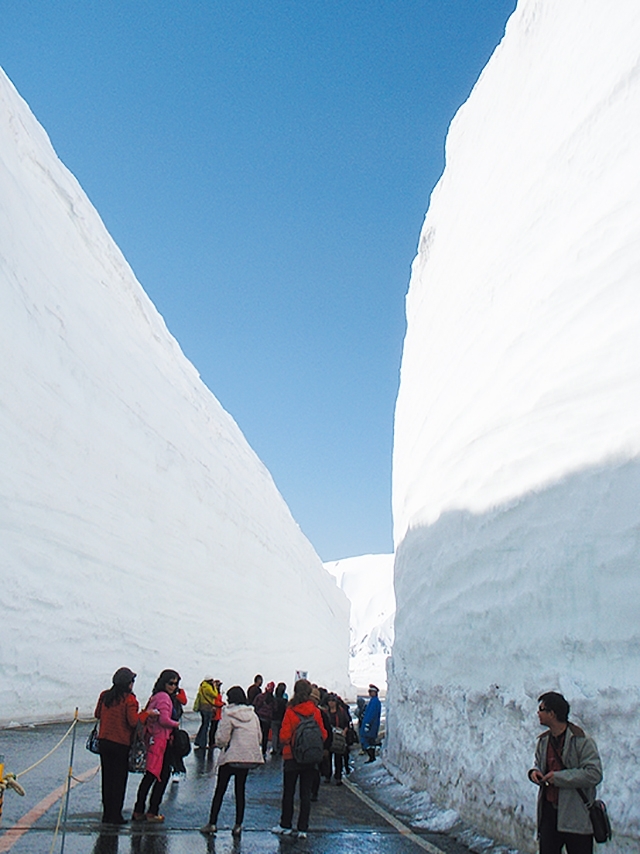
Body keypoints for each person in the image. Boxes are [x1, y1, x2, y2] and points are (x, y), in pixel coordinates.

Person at [528, 692, 603, 854]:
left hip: (576, 817)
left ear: (552, 714)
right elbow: (538, 763)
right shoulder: (543, 741)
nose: (538, 713)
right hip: (549, 815)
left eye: (541, 709)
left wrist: (559, 778)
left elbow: (594, 774)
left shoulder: (581, 740)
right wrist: (534, 773)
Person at [94, 667, 157, 825]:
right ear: (128, 683)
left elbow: (97, 714)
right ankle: (116, 815)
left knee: (107, 779)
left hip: (104, 742)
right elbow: (133, 722)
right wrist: (147, 714)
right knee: (119, 781)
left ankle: (107, 814)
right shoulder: (129, 700)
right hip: (121, 743)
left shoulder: (105, 695)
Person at [200, 686, 264, 836]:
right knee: (240, 791)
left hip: (231, 757)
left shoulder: (228, 714)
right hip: (247, 758)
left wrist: (220, 744)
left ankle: (212, 823)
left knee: (220, 790)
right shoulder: (252, 714)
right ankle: (238, 825)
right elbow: (259, 737)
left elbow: (222, 739)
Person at [271, 678, 327, 839]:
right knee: (305, 794)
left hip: (291, 757)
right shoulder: (315, 711)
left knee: (288, 792)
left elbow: (284, 736)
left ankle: (286, 825)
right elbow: (323, 734)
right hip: (310, 759)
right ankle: (303, 828)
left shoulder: (291, 711)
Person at [132, 670, 181, 822]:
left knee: (151, 775)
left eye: (175, 683)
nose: (173, 686)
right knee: (160, 775)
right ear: (164, 683)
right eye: (170, 683)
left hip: (153, 739)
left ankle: (139, 810)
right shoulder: (164, 698)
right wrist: (176, 724)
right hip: (161, 741)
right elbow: (164, 719)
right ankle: (152, 811)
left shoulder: (156, 696)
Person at [327, 694, 350, 785]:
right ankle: (328, 775)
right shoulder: (326, 712)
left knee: (338, 757)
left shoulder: (341, 712)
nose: (331, 703)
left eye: (332, 701)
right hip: (329, 737)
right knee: (328, 757)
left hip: (339, 737)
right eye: (329, 701)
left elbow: (346, 723)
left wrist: (344, 732)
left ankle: (338, 776)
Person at [194, 677, 217, 749]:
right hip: (207, 707)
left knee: (203, 724)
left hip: (202, 707)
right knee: (206, 725)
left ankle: (198, 741)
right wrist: (215, 687)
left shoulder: (202, 686)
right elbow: (215, 695)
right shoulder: (208, 687)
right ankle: (202, 743)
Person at [360, 684, 381, 762]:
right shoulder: (374, 701)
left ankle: (371, 756)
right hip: (372, 725)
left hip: (370, 726)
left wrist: (367, 724)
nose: (369, 693)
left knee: (366, 740)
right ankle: (371, 756)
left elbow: (371, 714)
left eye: (371, 691)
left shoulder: (374, 702)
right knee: (371, 741)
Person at [253, 681, 275, 757]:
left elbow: (255, 705)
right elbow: (275, 709)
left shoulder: (260, 697)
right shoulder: (273, 700)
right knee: (265, 735)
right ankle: (263, 751)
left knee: (257, 734)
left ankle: (255, 748)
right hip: (268, 719)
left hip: (259, 717)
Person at [271, 682, 287, 755]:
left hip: (274, 718)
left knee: (274, 734)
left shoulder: (274, 700)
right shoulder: (284, 701)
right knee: (281, 734)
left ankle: (274, 748)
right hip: (282, 719)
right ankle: (281, 749)